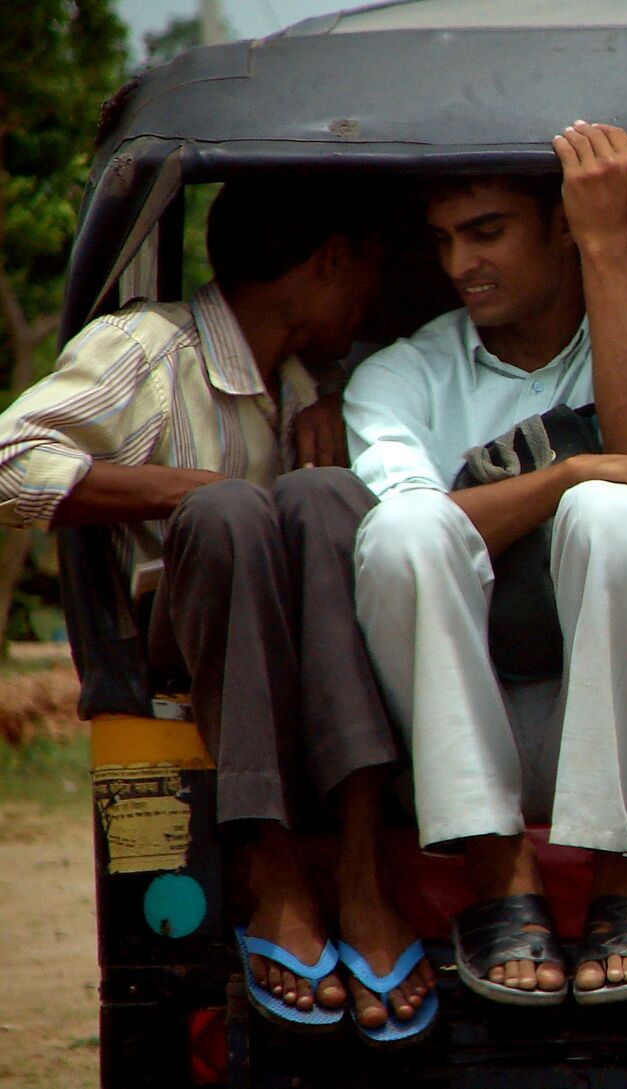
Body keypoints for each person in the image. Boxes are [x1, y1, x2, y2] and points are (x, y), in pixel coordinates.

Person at [0, 179, 437, 1043]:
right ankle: (272, 868)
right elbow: (12, 458)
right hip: (188, 642)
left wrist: (341, 414)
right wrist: (198, 489)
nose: (371, 296)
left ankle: (358, 871)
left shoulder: (328, 376)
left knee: (323, 496)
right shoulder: (149, 347)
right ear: (330, 262)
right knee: (234, 512)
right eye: (368, 272)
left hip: (314, 651)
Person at [344, 122, 627, 1005]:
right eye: (444, 240)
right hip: (464, 733)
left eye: (487, 231)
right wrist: (569, 470)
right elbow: (412, 524)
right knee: (404, 533)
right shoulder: (400, 374)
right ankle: (499, 871)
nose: (460, 263)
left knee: (615, 511)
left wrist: (606, 243)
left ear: (556, 227)